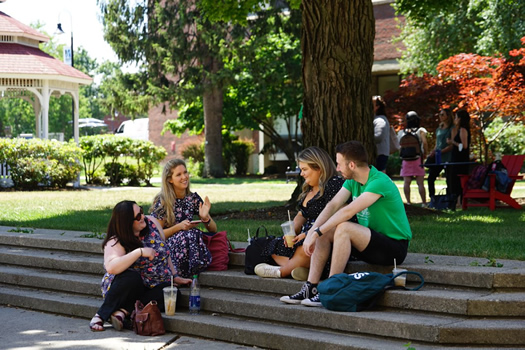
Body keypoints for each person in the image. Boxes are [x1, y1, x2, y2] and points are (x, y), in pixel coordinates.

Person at [280, 141, 411, 307]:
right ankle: (311, 287)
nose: (337, 169)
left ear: (351, 164)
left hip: (394, 248)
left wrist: (316, 232)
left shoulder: (379, 182)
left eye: (339, 164)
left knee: (343, 227)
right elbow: (333, 206)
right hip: (370, 242)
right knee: (328, 230)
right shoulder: (352, 182)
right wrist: (313, 231)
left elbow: (347, 212)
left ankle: (329, 289)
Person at [89, 200, 192, 332]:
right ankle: (101, 315)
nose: (143, 217)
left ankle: (123, 311)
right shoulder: (116, 240)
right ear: (127, 223)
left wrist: (175, 275)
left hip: (153, 286)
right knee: (132, 277)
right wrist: (139, 252)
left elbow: (165, 251)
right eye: (138, 216)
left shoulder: (152, 223)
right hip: (126, 288)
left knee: (172, 293)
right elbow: (111, 267)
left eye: (141, 212)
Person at [254, 147, 347, 280]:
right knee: (274, 245)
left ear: (318, 168)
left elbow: (337, 216)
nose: (301, 174)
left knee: (308, 246)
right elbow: (301, 215)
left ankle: (281, 271)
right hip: (303, 236)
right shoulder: (308, 189)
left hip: (324, 235)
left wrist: (309, 233)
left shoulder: (333, 184)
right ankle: (300, 269)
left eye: (304, 169)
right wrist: (291, 232)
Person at [150, 159, 218, 278]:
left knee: (193, 233)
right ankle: (180, 274)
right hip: (167, 246)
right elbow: (155, 236)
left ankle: (190, 271)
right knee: (188, 235)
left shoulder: (193, 199)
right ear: (170, 180)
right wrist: (178, 227)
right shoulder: (163, 202)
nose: (184, 177)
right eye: (179, 174)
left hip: (188, 244)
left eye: (185, 172)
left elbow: (213, 229)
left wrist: (205, 217)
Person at [398, 111, 428, 205]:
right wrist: (425, 153)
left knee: (406, 183)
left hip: (406, 160)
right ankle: (423, 202)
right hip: (417, 159)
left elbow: (400, 146)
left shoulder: (401, 132)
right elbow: (425, 142)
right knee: (420, 183)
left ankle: (408, 202)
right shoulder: (420, 130)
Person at [427, 108, 454, 200]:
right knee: (431, 177)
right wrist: (433, 152)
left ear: (448, 116)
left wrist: (442, 151)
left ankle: (449, 199)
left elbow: (451, 144)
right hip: (438, 157)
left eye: (443, 115)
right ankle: (432, 197)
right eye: (440, 115)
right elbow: (437, 143)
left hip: (447, 156)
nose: (440, 117)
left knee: (449, 179)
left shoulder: (452, 128)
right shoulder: (439, 128)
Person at [447, 109, 471, 208]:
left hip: (460, 160)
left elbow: (464, 146)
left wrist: (452, 142)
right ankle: (457, 201)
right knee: (454, 180)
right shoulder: (459, 129)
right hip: (456, 159)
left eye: (456, 117)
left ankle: (459, 202)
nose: (455, 119)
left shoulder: (463, 130)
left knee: (458, 180)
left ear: (460, 119)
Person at [373, 95, 390, 173]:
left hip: (380, 154)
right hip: (380, 153)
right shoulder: (378, 119)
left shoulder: (380, 120)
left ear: (377, 106)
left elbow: (379, 136)